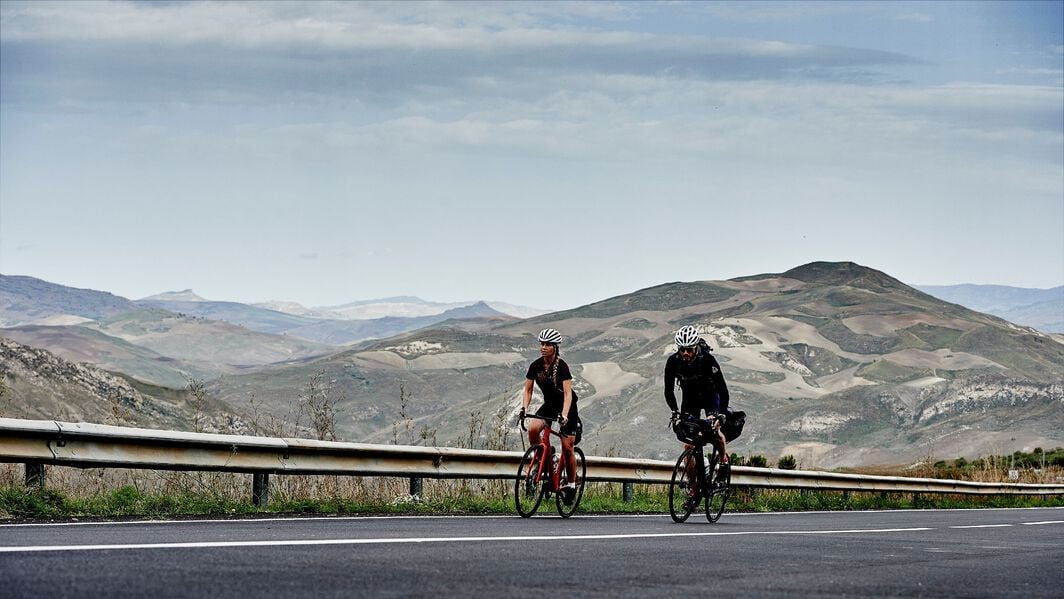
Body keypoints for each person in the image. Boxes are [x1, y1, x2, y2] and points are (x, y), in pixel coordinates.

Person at [520, 328, 581, 498]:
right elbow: (528, 390)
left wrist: (565, 415)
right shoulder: (536, 365)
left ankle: (570, 484)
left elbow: (568, 394)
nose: (543, 347)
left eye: (547, 344)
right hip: (550, 405)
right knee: (532, 429)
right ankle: (545, 459)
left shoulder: (562, 367)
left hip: (567, 407)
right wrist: (524, 408)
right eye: (542, 344)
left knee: (568, 447)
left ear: (555, 347)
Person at [664, 325, 731, 475]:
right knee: (688, 445)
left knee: (714, 431)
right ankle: (693, 487)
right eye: (682, 349)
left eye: (690, 349)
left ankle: (724, 461)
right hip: (690, 399)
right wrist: (674, 411)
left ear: (696, 348)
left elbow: (723, 390)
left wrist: (721, 414)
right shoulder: (673, 362)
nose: (686, 353)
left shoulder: (708, 360)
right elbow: (668, 391)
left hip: (710, 396)